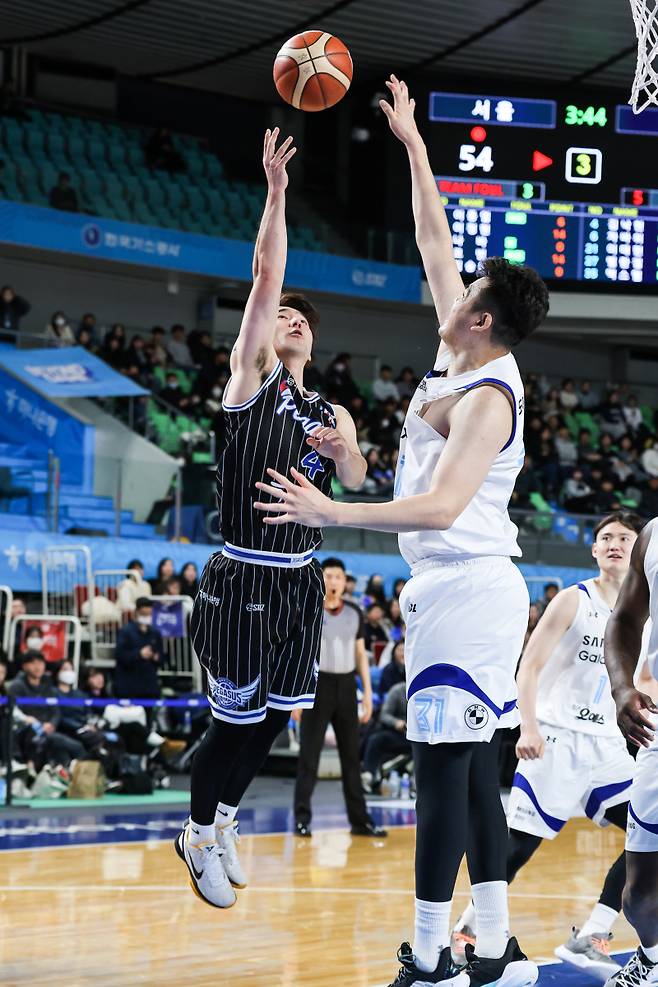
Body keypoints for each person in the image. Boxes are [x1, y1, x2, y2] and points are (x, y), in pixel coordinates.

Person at [253, 76, 548, 986]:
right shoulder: (454, 358)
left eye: (467, 293)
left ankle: (431, 952)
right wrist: (416, 146)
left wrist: (335, 511)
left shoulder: (490, 396)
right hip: (458, 591)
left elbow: (441, 507)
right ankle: (490, 945)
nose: (450, 290)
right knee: (464, 776)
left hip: (466, 583)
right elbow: (433, 239)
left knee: (438, 772)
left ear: (483, 318)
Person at [175, 127, 366, 910]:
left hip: (299, 581)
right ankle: (194, 830)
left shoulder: (331, 408)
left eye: (300, 318)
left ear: (314, 341)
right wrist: (278, 194)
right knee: (231, 722)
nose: (289, 317)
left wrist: (341, 449)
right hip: (243, 573)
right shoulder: (251, 382)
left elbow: (354, 478)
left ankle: (222, 820)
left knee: (273, 722)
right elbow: (264, 275)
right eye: (282, 313)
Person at [453, 512, 646, 981]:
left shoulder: (647, 613)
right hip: (556, 738)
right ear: (594, 550)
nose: (615, 543)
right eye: (606, 537)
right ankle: (466, 933)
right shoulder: (571, 600)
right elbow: (530, 666)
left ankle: (593, 936)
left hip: (610, 746)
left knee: (647, 835)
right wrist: (529, 728)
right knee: (519, 846)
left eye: (625, 537)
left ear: (641, 550)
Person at [293, 557, 385, 838]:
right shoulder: (307, 610)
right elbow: (298, 653)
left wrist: (367, 694)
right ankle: (302, 818)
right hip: (316, 686)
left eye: (338, 577)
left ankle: (360, 821)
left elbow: (360, 654)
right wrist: (295, 696)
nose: (333, 581)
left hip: (346, 685)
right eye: (329, 576)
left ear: (345, 582)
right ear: (321, 578)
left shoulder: (355, 613)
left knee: (351, 756)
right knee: (309, 755)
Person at [603, 517, 658, 987]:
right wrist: (622, 689)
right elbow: (624, 619)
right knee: (639, 896)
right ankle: (652, 958)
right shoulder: (653, 535)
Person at [9, 650, 85, 767]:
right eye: (33, 663)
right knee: (72, 747)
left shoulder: (48, 684)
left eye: (40, 663)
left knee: (64, 750)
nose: (37, 667)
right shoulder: (17, 686)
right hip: (27, 731)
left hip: (48, 730)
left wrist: (52, 724)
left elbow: (55, 711)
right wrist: (32, 721)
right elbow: (15, 712)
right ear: (24, 666)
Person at [362, 680, 411, 793]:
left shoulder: (423, 692)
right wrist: (396, 723)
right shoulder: (397, 690)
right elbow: (384, 715)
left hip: (419, 737)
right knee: (375, 740)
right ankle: (368, 775)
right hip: (400, 734)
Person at [113, 599, 163, 701]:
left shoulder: (155, 633)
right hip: (129, 686)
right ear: (137, 612)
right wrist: (139, 654)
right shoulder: (125, 632)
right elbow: (120, 655)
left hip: (149, 687)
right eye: (144, 614)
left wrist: (156, 657)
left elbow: (162, 656)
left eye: (150, 614)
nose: (147, 617)